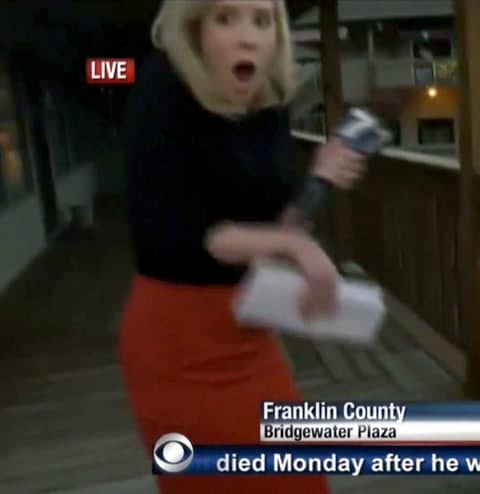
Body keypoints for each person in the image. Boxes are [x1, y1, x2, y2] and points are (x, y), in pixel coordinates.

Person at [118, 1, 365, 492]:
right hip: (177, 345)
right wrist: (298, 248)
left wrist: (319, 178)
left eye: (262, 20)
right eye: (225, 18)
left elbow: (269, 230)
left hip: (247, 329)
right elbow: (185, 236)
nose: (248, 36)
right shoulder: (162, 91)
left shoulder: (267, 104)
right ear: (195, 29)